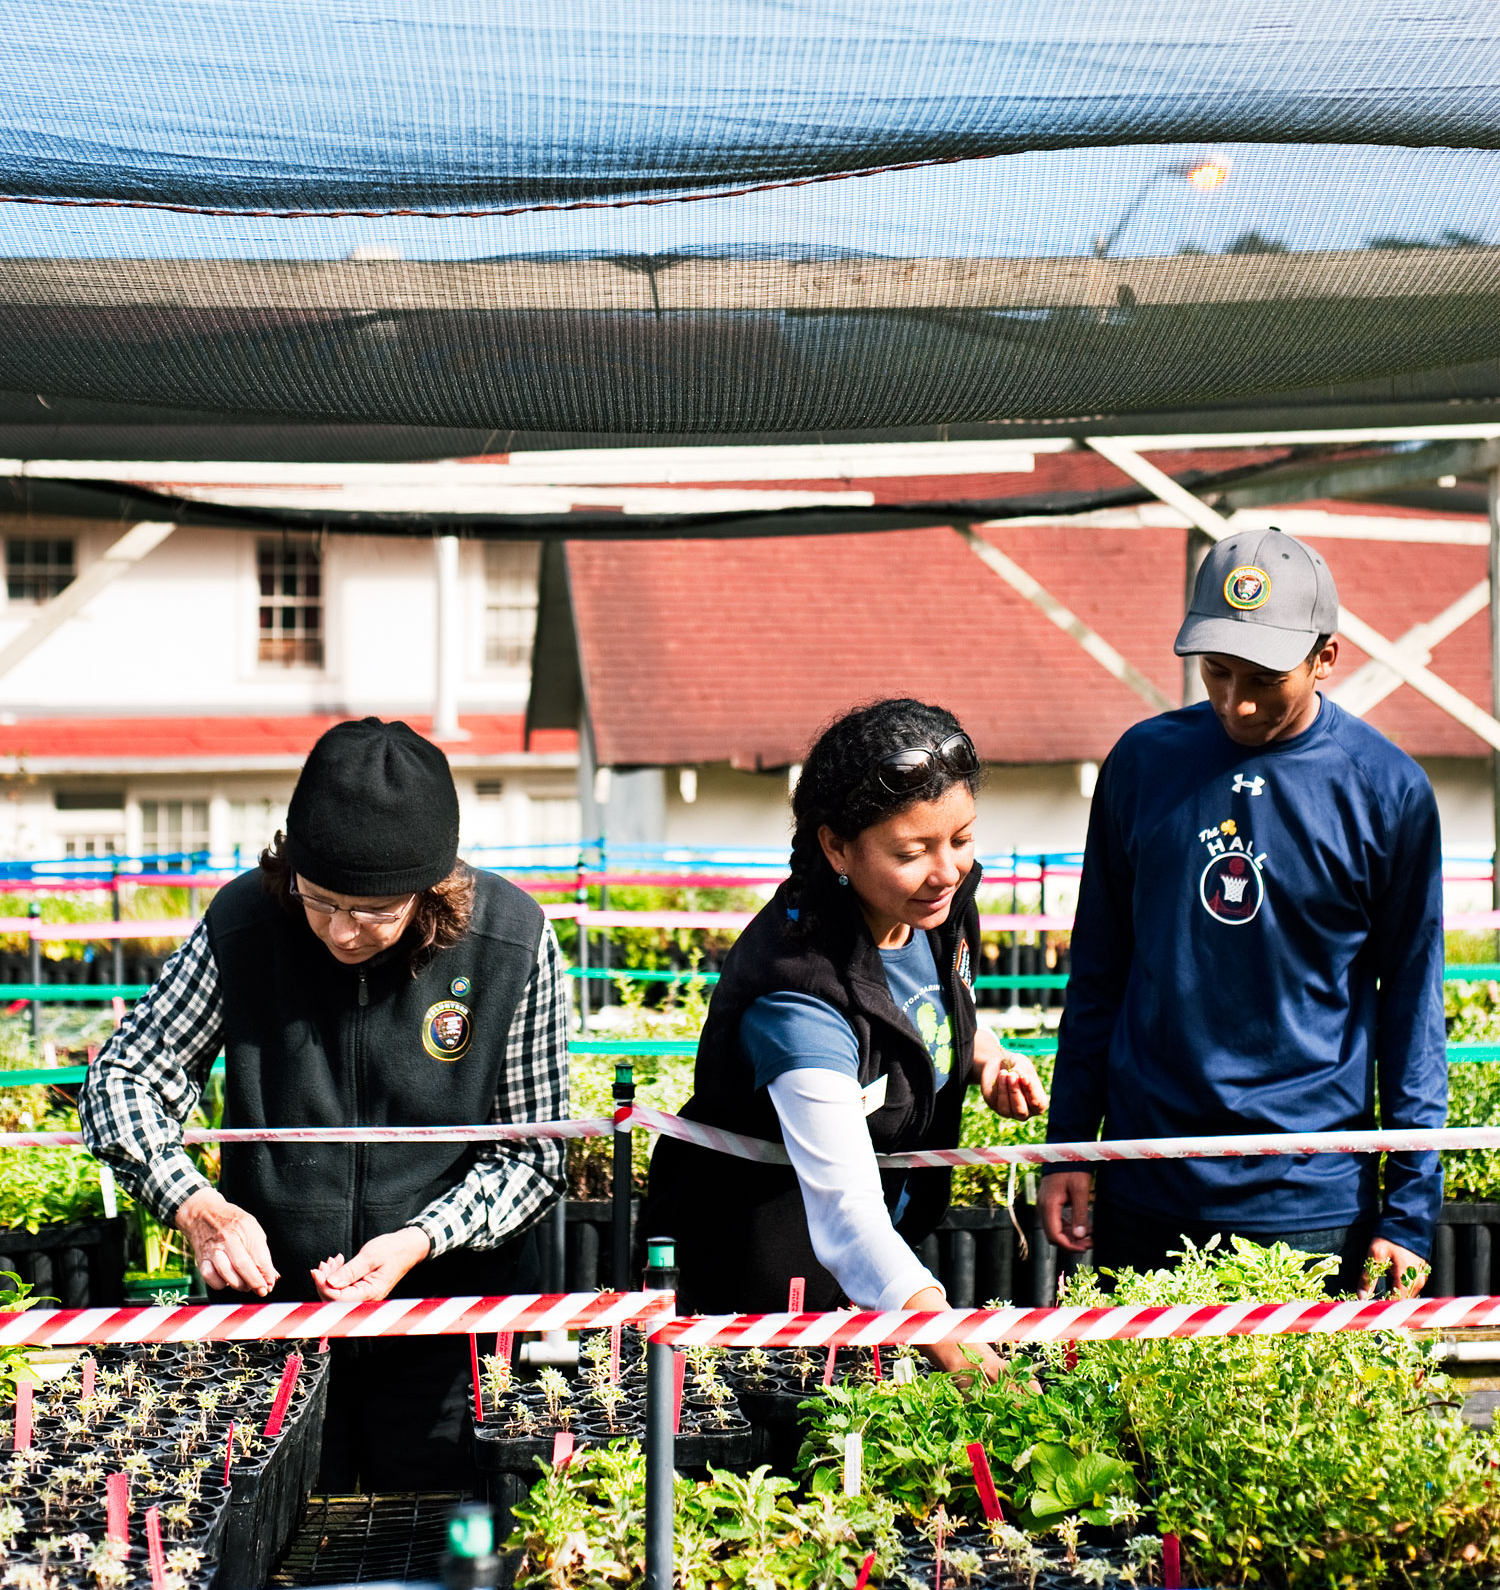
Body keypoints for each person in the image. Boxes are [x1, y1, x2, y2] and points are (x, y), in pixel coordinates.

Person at [80, 717, 569, 1488]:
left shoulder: (511, 940)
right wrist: (198, 1206)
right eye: (319, 901)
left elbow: (536, 1155)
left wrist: (420, 1238)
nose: (341, 931)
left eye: (372, 911)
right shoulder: (242, 925)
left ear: (429, 888)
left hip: (451, 1329)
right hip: (274, 1325)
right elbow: (123, 1079)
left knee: (449, 1539)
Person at [1038, 529, 1447, 1294]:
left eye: (1264, 675)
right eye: (1216, 671)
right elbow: (1098, 973)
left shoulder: (1388, 791)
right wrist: (1068, 1149)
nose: (1237, 700)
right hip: (1145, 1180)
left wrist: (1411, 1208)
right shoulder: (1141, 764)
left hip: (1310, 1202)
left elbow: (1413, 1009)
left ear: (1327, 655)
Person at [646, 698, 1046, 1373]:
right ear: (836, 846)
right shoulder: (798, 990)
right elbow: (846, 1211)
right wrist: (970, 1358)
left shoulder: (931, 901)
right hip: (770, 1281)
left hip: (885, 1260)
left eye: (961, 838)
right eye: (911, 851)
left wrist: (986, 1057)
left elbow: (927, 1007)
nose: (947, 870)